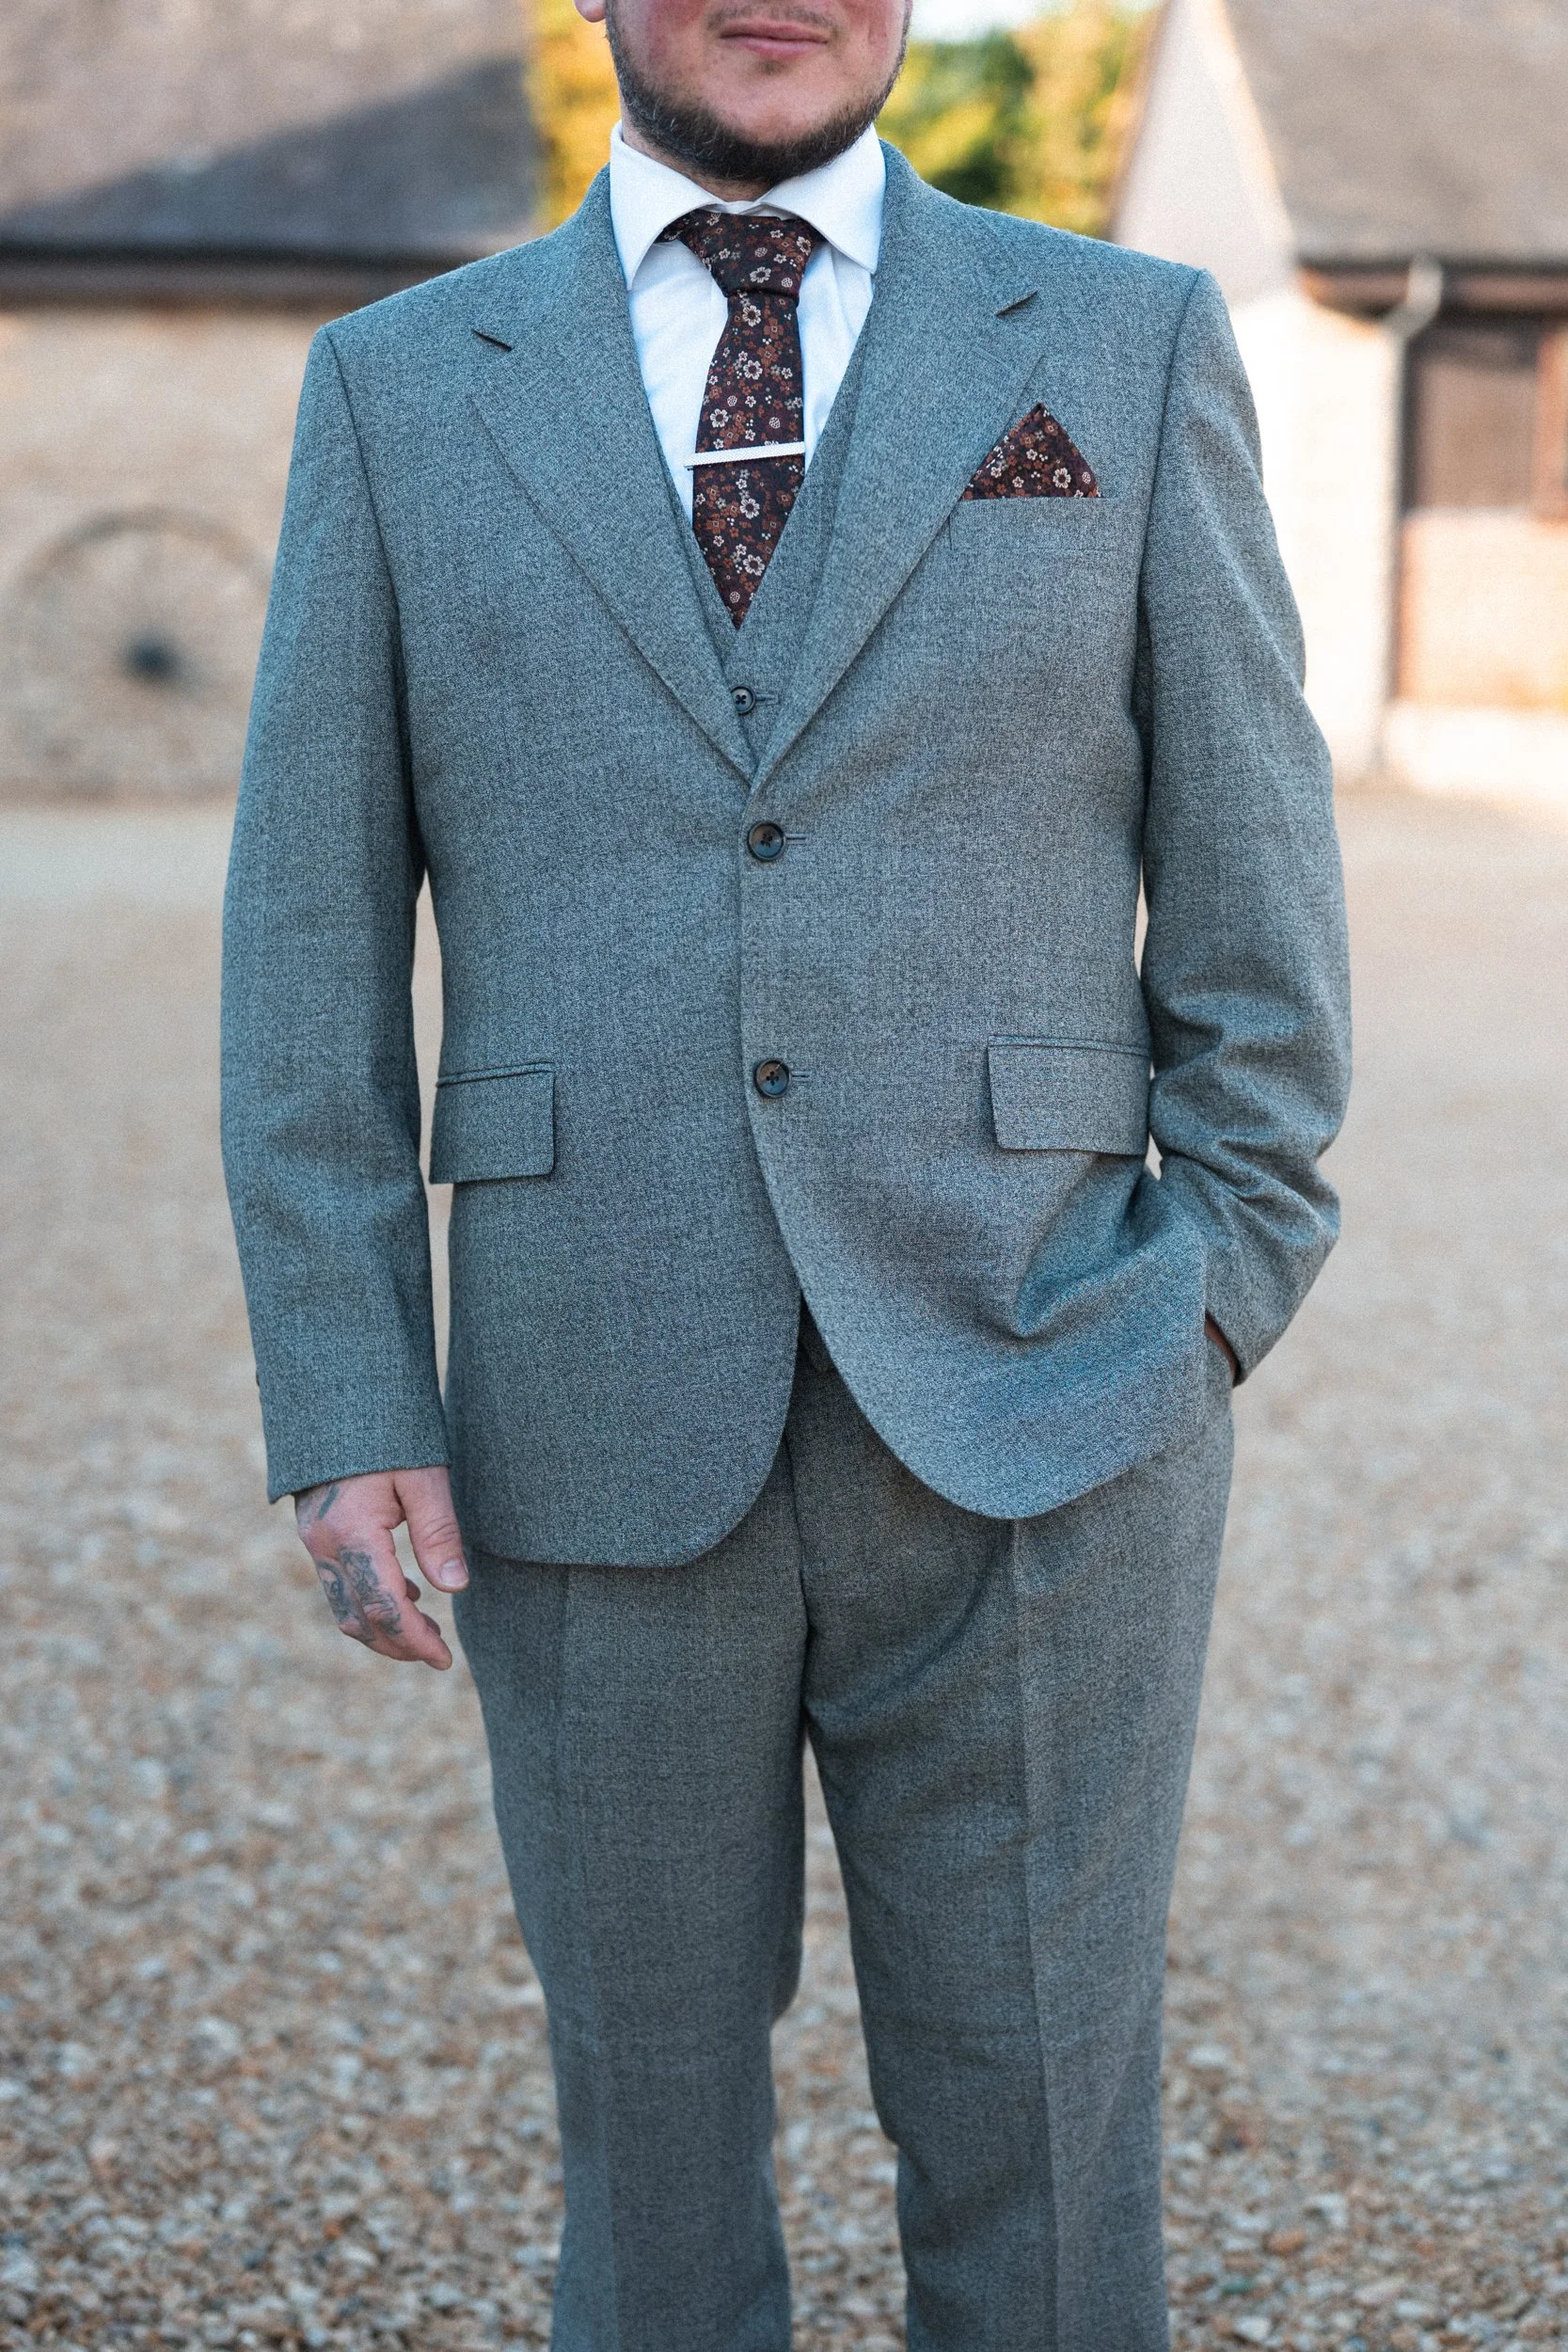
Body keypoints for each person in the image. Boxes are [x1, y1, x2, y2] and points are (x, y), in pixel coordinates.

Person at [221, 0, 1351, 2342]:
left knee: (1045, 2135)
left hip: (1054, 1399)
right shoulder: (402, 385)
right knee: (641, 2157)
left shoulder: (1124, 349)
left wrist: (1213, 1285)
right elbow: (309, 937)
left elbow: (1258, 899)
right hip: (582, 1402)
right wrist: (348, 1390)